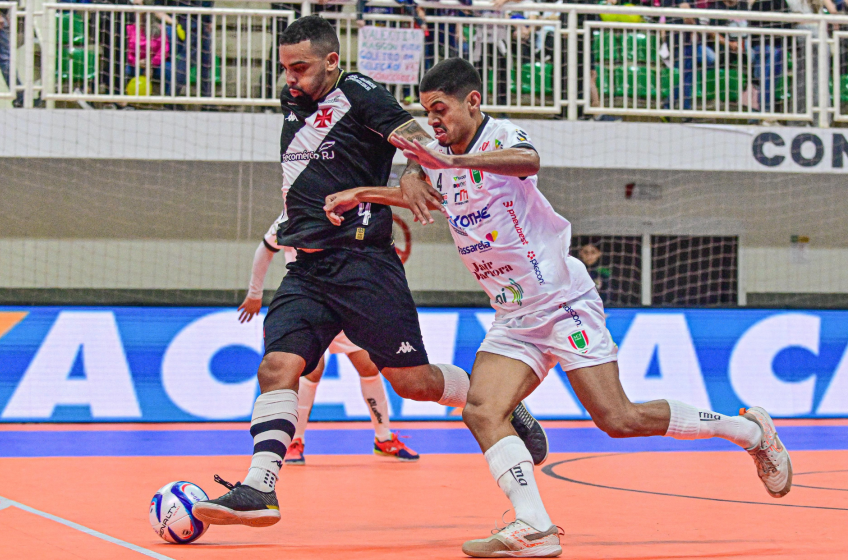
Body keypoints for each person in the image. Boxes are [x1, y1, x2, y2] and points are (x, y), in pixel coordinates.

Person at [325, 58, 793, 558]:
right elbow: (421, 184)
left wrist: (446, 164)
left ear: (473, 102)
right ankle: (535, 526)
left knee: (618, 419)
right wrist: (364, 191)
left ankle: (750, 431)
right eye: (427, 111)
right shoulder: (438, 154)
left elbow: (528, 160)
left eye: (441, 109)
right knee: (482, 410)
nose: (433, 119)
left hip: (562, 302)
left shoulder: (498, 137)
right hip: (512, 316)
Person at [192, 16, 547, 530]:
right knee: (276, 367)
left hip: (363, 265)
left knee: (413, 383)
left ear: (332, 62)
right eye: (284, 67)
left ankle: (492, 398)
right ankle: (259, 487)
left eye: (301, 67)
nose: (289, 78)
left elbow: (425, 139)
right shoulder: (296, 99)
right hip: (306, 268)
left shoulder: (361, 94)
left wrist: (411, 170)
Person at [237, 212, 420, 463]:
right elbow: (266, 248)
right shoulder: (292, 211)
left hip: (347, 297)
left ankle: (384, 438)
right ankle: (294, 441)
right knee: (310, 370)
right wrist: (255, 293)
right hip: (310, 298)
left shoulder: (349, 208)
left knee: (367, 365)